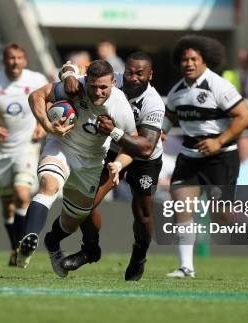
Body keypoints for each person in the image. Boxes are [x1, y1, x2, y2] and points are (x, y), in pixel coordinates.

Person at [18, 60, 137, 277]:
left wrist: (118, 164)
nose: (98, 91)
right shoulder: (74, 86)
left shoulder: (120, 107)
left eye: (104, 87)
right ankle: (26, 241)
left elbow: (133, 144)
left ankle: (51, 244)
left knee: (73, 221)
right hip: (62, 146)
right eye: (93, 86)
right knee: (48, 186)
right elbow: (36, 96)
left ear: (113, 83)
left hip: (91, 163)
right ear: (86, 81)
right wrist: (48, 127)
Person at [57, 52, 165, 281]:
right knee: (85, 202)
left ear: (150, 75)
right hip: (113, 152)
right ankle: (90, 249)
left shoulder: (154, 103)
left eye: (140, 73)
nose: (133, 78)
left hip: (145, 160)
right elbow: (74, 67)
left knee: (143, 215)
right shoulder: (111, 79)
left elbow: (145, 147)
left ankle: (138, 257)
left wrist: (114, 131)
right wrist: (68, 73)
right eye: (129, 72)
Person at [162, 35, 248, 278]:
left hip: (221, 157)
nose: (188, 63)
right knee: (181, 206)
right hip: (190, 156)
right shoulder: (176, 91)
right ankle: (186, 267)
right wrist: (158, 133)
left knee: (221, 216)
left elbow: (244, 117)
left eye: (194, 59)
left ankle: (245, 221)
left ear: (204, 61)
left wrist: (218, 141)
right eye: (184, 59)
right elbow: (169, 119)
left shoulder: (219, 85)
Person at [0, 43, 48, 266]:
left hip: (27, 147)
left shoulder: (37, 80)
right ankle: (15, 247)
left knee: (22, 195)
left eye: (19, 57)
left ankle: (23, 248)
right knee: (7, 205)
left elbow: (52, 103)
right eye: (11, 58)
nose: (15, 62)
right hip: (0, 150)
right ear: (4, 60)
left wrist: (43, 126)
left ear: (25, 60)